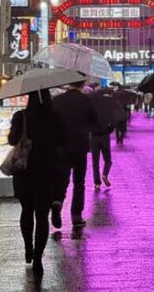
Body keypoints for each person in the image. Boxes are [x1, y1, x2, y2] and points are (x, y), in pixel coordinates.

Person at [9, 89, 65, 283]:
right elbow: (62, 142)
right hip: (47, 172)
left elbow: (12, 140)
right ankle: (38, 258)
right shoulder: (54, 117)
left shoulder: (21, 116)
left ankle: (28, 249)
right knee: (42, 216)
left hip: (24, 171)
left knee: (26, 210)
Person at [52, 80, 98, 228]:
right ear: (83, 84)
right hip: (80, 145)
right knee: (79, 182)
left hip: (61, 145)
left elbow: (51, 121)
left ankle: (57, 202)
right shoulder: (87, 100)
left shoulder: (57, 100)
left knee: (61, 179)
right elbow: (95, 121)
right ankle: (76, 216)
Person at [89, 87, 116, 190]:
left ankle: (97, 183)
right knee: (108, 160)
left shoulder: (92, 108)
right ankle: (105, 174)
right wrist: (109, 130)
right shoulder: (106, 106)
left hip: (93, 137)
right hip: (104, 135)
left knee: (95, 162)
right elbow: (112, 122)